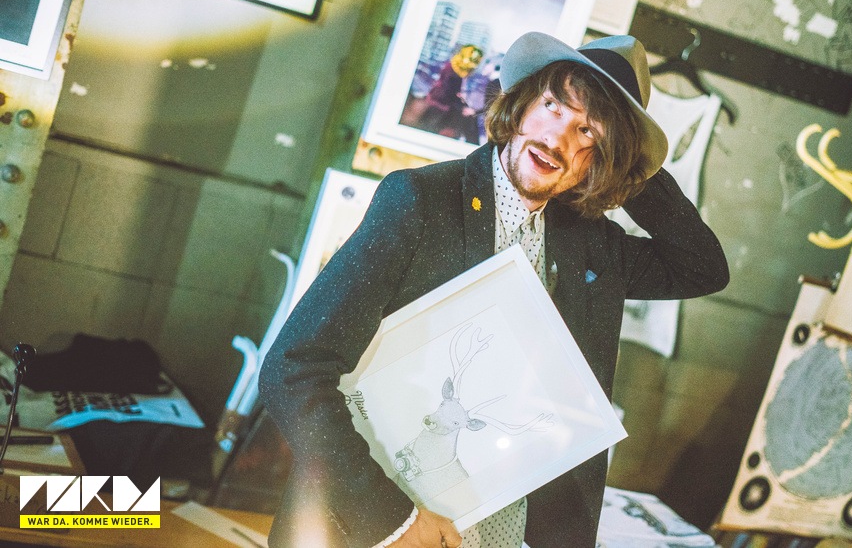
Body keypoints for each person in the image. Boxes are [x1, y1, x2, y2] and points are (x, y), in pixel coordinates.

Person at [259, 32, 729, 548]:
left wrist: (632, 161)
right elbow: (294, 368)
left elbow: (703, 269)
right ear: (522, 104)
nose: (556, 140)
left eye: (586, 131)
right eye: (552, 107)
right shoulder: (418, 201)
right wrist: (393, 519)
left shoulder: (592, 245)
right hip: (379, 525)